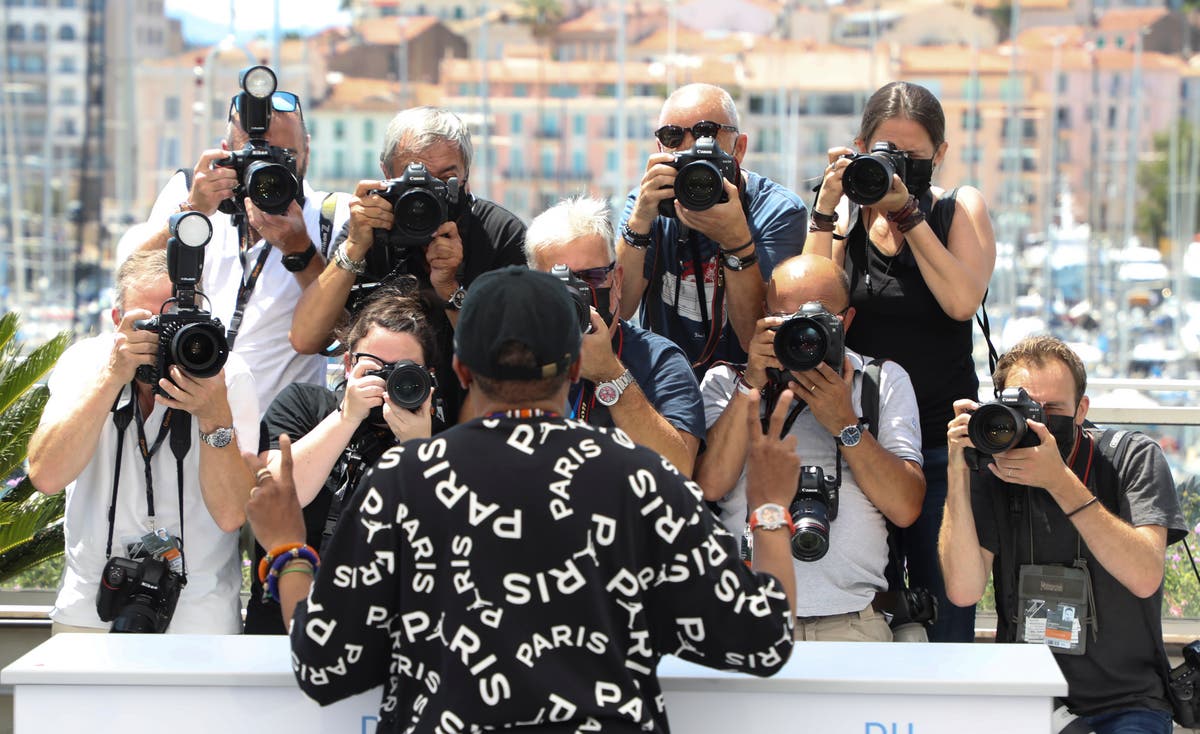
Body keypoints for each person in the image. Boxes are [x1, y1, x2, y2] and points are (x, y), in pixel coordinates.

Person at [247, 266, 799, 731]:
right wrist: (770, 507)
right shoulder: (640, 478)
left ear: (461, 369)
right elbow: (763, 637)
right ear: (577, 367)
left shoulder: (405, 480)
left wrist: (288, 549)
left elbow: (325, 662)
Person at [804, 80, 997, 642]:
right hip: (863, 447)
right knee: (867, 607)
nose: (897, 169)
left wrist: (908, 214)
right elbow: (806, 299)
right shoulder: (843, 218)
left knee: (947, 610)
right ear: (861, 146)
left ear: (939, 154)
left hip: (942, 448)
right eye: (886, 154)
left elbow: (962, 301)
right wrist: (826, 208)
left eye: (913, 158)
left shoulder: (959, 208)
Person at [940, 336, 1186, 734]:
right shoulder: (991, 469)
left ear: (1081, 410)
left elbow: (1144, 577)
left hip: (1125, 700)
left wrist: (1060, 482)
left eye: (1051, 410)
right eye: (1025, 410)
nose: (1036, 425)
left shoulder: (1131, 458)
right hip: (1027, 697)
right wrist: (957, 468)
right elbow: (964, 590)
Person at [26, 250, 258, 634]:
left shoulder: (227, 375)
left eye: (173, 323)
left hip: (199, 613)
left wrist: (214, 414)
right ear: (118, 322)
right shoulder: (86, 363)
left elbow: (232, 513)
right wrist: (111, 379)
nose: (161, 337)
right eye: (148, 324)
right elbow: (47, 476)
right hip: (92, 606)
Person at [695, 254, 925, 641]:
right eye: (786, 321)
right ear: (764, 318)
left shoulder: (880, 381)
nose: (802, 336)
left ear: (846, 321)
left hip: (853, 622)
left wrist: (845, 423)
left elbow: (905, 507)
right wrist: (751, 383)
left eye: (816, 321)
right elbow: (710, 485)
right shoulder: (727, 382)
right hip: (747, 617)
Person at [120, 73, 349, 414]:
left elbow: (341, 334)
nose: (268, 171)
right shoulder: (189, 194)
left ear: (307, 151)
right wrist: (193, 211)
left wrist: (299, 250)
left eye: (284, 155)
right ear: (226, 153)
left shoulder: (332, 217)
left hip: (280, 433)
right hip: (187, 421)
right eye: (253, 158)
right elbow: (131, 285)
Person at [289, 106, 527, 424]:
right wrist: (354, 248)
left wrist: (450, 289)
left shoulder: (499, 234)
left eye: (446, 180)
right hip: (374, 426)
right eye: (415, 181)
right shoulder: (367, 230)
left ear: (467, 175)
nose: (428, 196)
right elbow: (307, 338)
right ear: (386, 175)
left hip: (469, 431)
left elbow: (509, 362)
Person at [243, 288, 439, 634]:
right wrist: (345, 419)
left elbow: (440, 548)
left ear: (428, 376)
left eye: (403, 370)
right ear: (348, 364)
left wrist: (418, 451)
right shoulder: (304, 404)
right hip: (280, 625)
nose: (386, 381)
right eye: (374, 368)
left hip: (380, 634)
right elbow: (277, 496)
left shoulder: (440, 440)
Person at [616, 83, 808, 374]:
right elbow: (622, 307)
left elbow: (752, 337)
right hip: (669, 379)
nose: (691, 149)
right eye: (673, 135)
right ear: (660, 149)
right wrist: (640, 220)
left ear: (739, 148)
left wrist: (737, 241)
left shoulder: (777, 211)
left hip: (748, 382)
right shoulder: (649, 204)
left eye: (707, 133)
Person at [524, 195, 704, 475]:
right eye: (559, 283)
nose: (578, 294)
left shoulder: (659, 360)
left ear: (616, 281)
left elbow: (679, 471)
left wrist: (610, 375)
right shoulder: (515, 359)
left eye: (591, 278)